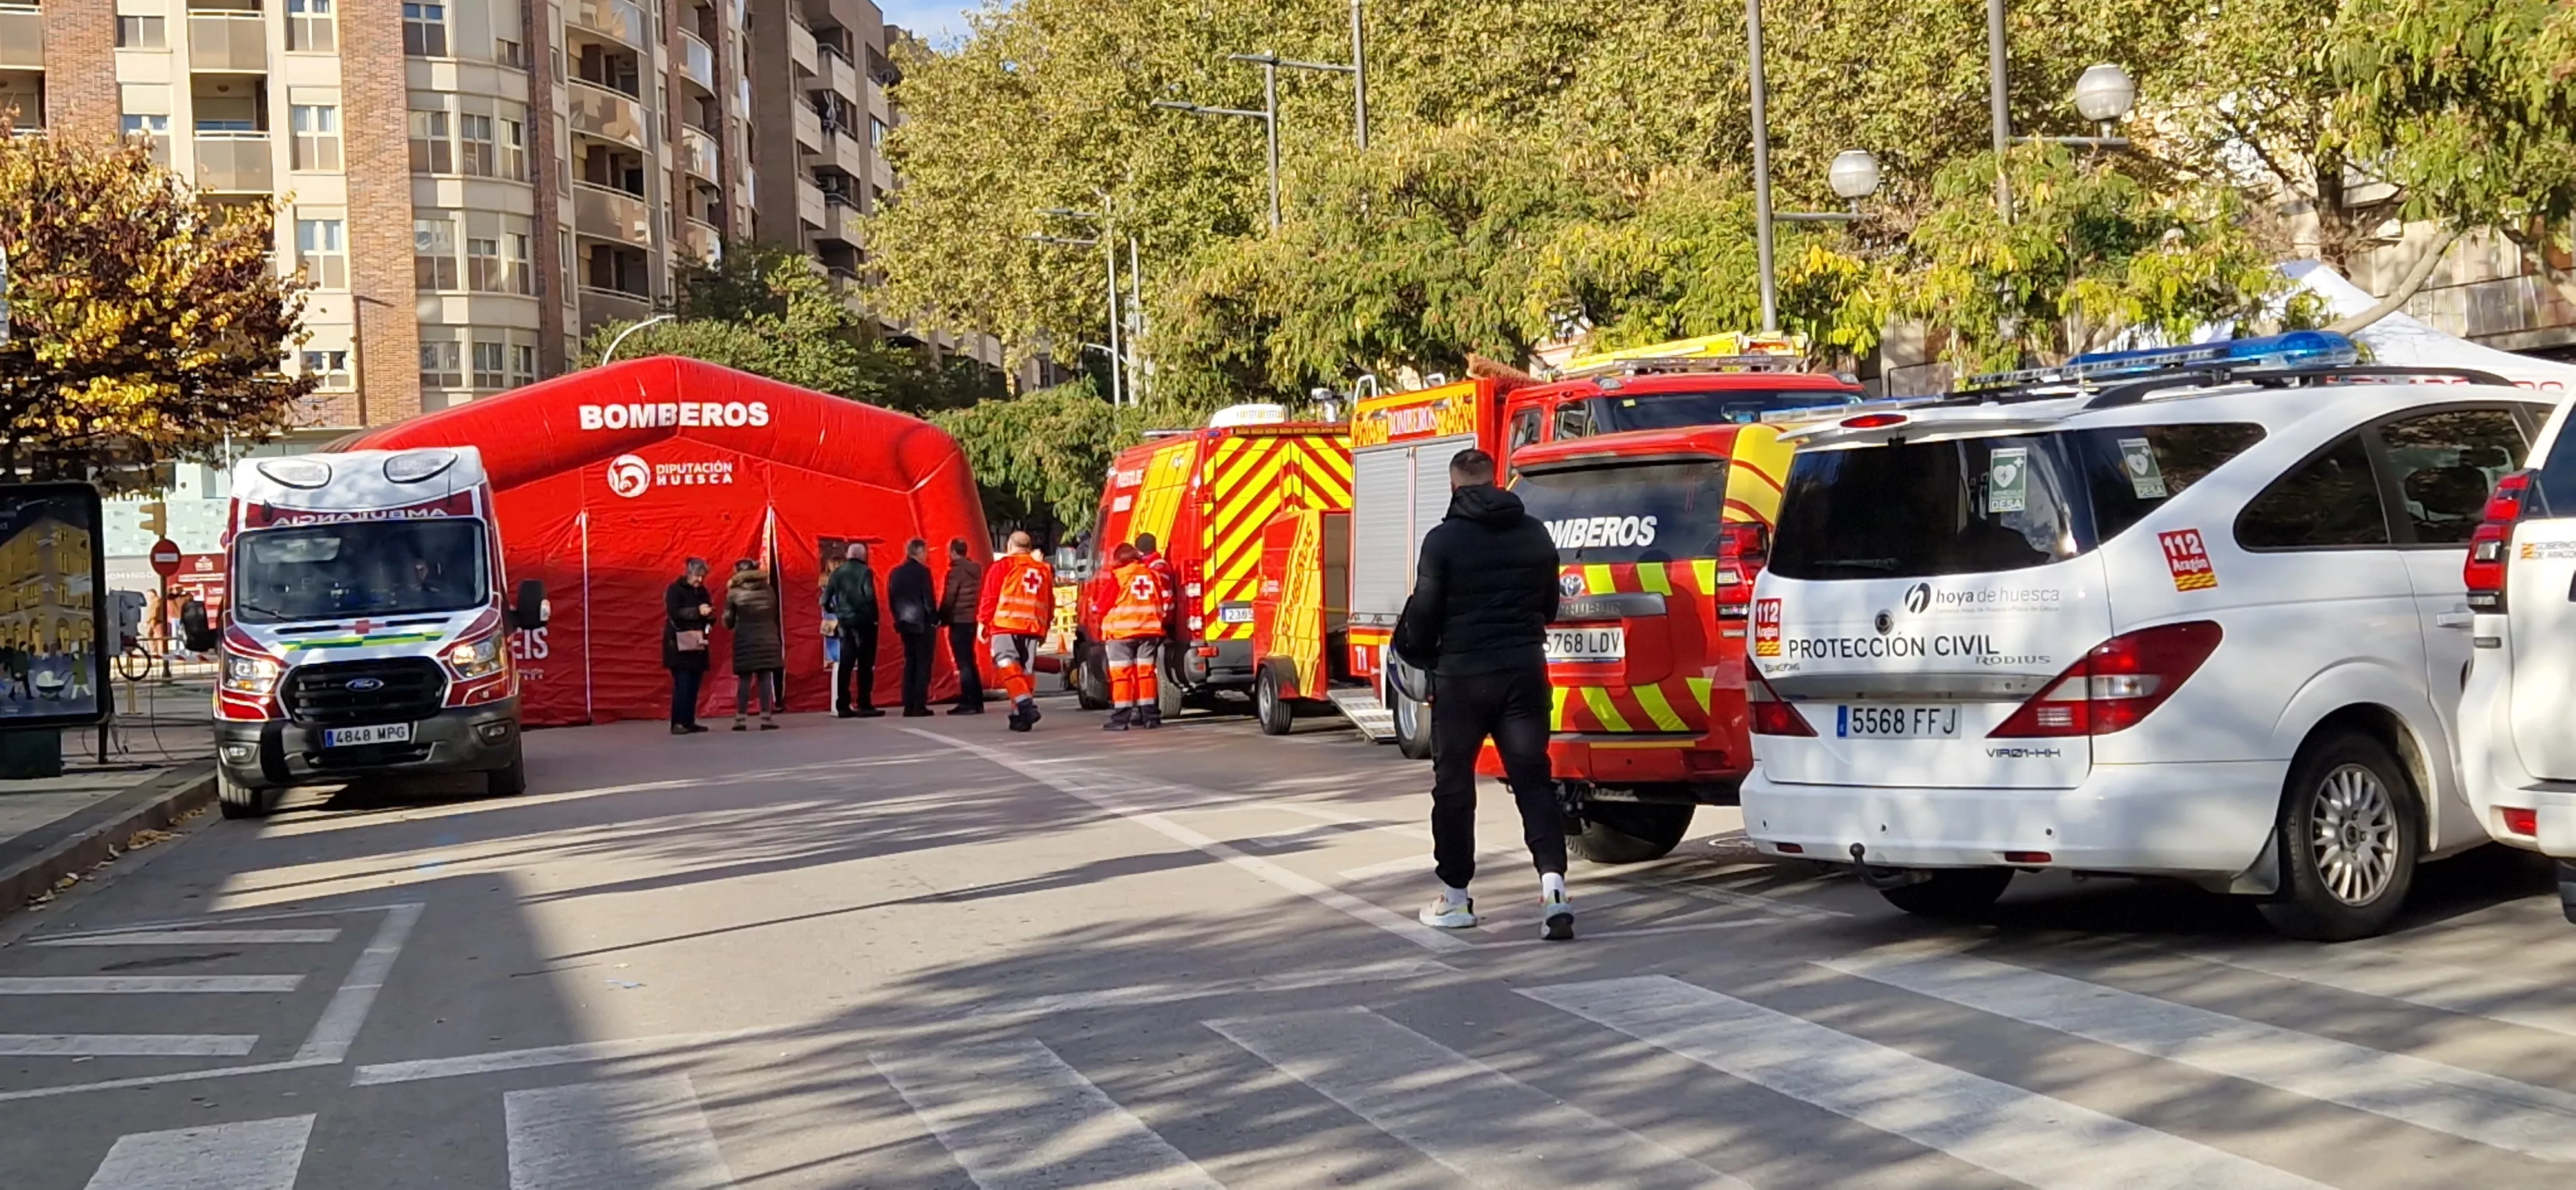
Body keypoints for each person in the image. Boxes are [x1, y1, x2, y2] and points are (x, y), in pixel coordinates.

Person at [1392, 448, 1573, 941]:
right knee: (1534, 780)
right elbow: (1549, 608)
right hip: (1524, 673)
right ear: (1496, 483)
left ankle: (1455, 898)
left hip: (1462, 679)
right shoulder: (1535, 533)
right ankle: (1554, 889)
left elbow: (1424, 615)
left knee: (1454, 786)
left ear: (1455, 488)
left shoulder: (1443, 541)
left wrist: (1420, 653)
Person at [976, 530, 1056, 732]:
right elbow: (1050, 602)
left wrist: (983, 622)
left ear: (1009, 547)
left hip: (1006, 624)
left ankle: (1026, 707)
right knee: (1025, 672)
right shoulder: (1044, 570)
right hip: (1032, 627)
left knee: (1007, 666)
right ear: (1028, 549)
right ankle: (1019, 716)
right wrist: (1045, 628)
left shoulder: (1003, 566)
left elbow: (990, 596)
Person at [1094, 542, 1173, 731]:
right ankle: (1150, 717)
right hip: (1149, 632)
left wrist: (1094, 607)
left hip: (1122, 634)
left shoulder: (1119, 577)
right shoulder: (1153, 575)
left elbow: (1101, 606)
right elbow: (1164, 601)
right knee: (1146, 675)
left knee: (1122, 676)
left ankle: (1121, 719)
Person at [724, 559, 785, 731]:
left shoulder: (734, 592)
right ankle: (766, 717)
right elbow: (774, 611)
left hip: (745, 638)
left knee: (745, 679)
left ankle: (740, 718)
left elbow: (728, 619)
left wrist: (730, 623)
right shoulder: (768, 589)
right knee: (765, 676)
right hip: (767, 636)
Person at [825, 542, 882, 718]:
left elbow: (824, 600)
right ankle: (864, 703)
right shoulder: (865, 572)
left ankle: (843, 705)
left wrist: (838, 611)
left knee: (846, 663)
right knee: (865, 664)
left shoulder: (837, 573)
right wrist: (874, 618)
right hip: (863, 623)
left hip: (845, 623)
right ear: (862, 556)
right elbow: (869, 596)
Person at [663, 558, 716, 735]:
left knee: (694, 684)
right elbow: (674, 612)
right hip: (679, 644)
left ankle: (689, 721)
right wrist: (697, 612)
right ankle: (678, 722)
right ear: (689, 573)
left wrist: (709, 616)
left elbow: (710, 612)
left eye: (703, 577)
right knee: (683, 684)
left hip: (697, 643)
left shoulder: (703, 592)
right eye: (697, 576)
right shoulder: (675, 590)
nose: (700, 581)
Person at [888, 538, 938, 717]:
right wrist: (934, 618)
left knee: (910, 663)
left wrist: (898, 618)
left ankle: (908, 703)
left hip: (905, 623)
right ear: (918, 552)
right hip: (922, 623)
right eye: (925, 552)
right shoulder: (923, 572)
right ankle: (919, 704)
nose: (927, 556)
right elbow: (927, 598)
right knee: (923, 664)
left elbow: (892, 598)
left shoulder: (896, 573)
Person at [938, 538, 987, 714]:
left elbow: (950, 597)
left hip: (958, 620)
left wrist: (941, 618)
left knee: (963, 663)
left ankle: (968, 701)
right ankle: (978, 700)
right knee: (970, 661)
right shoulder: (976, 570)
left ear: (953, 552)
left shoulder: (956, 572)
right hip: (971, 619)